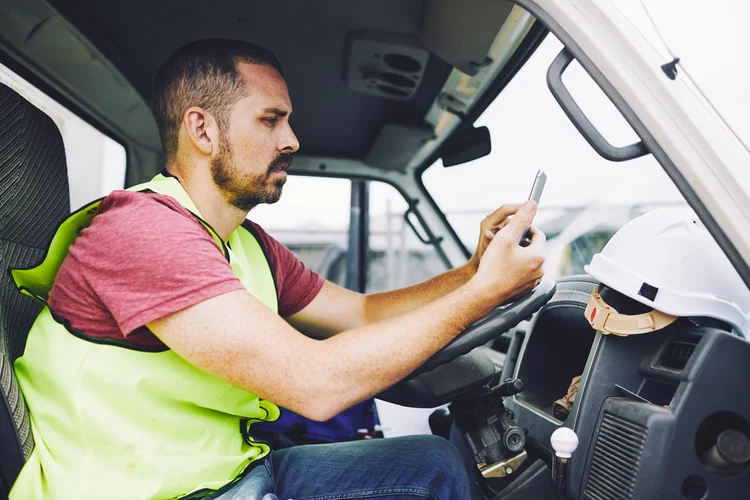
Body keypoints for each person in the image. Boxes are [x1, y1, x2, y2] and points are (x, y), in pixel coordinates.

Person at [10, 39, 545, 500]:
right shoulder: (143, 232)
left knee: (433, 465)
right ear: (202, 128)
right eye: (271, 119)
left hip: (226, 471)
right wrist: (483, 294)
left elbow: (361, 312)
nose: (291, 139)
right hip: (158, 492)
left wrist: (476, 272)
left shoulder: (246, 243)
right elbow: (316, 386)